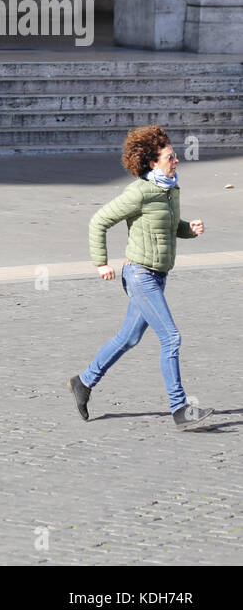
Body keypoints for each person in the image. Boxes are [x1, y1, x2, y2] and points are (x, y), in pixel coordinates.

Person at [71, 125, 213, 430]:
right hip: (139, 275)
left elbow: (171, 226)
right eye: (171, 157)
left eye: (175, 157)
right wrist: (101, 263)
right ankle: (179, 408)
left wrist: (191, 229)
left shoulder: (170, 189)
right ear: (153, 163)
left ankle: (83, 382)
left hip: (158, 276)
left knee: (129, 337)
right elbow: (98, 221)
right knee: (171, 337)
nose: (177, 162)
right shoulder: (138, 192)